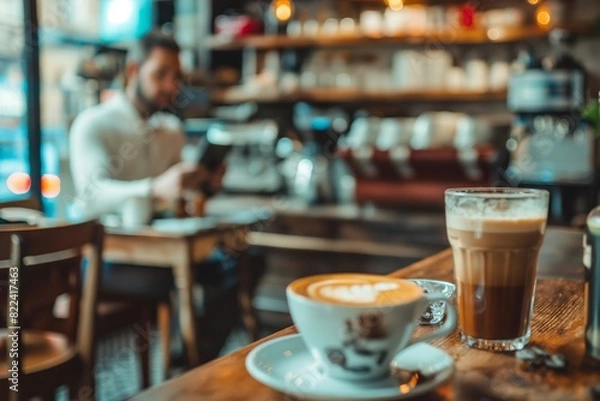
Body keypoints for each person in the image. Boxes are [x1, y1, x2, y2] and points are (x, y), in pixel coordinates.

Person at [69, 30, 239, 364]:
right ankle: (189, 362)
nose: (171, 86)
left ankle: (191, 357)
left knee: (238, 263)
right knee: (183, 274)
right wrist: (152, 188)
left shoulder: (170, 130)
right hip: (106, 256)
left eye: (176, 76)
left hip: (160, 247)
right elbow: (90, 196)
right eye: (160, 74)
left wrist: (206, 182)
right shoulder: (93, 124)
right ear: (133, 71)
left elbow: (181, 193)